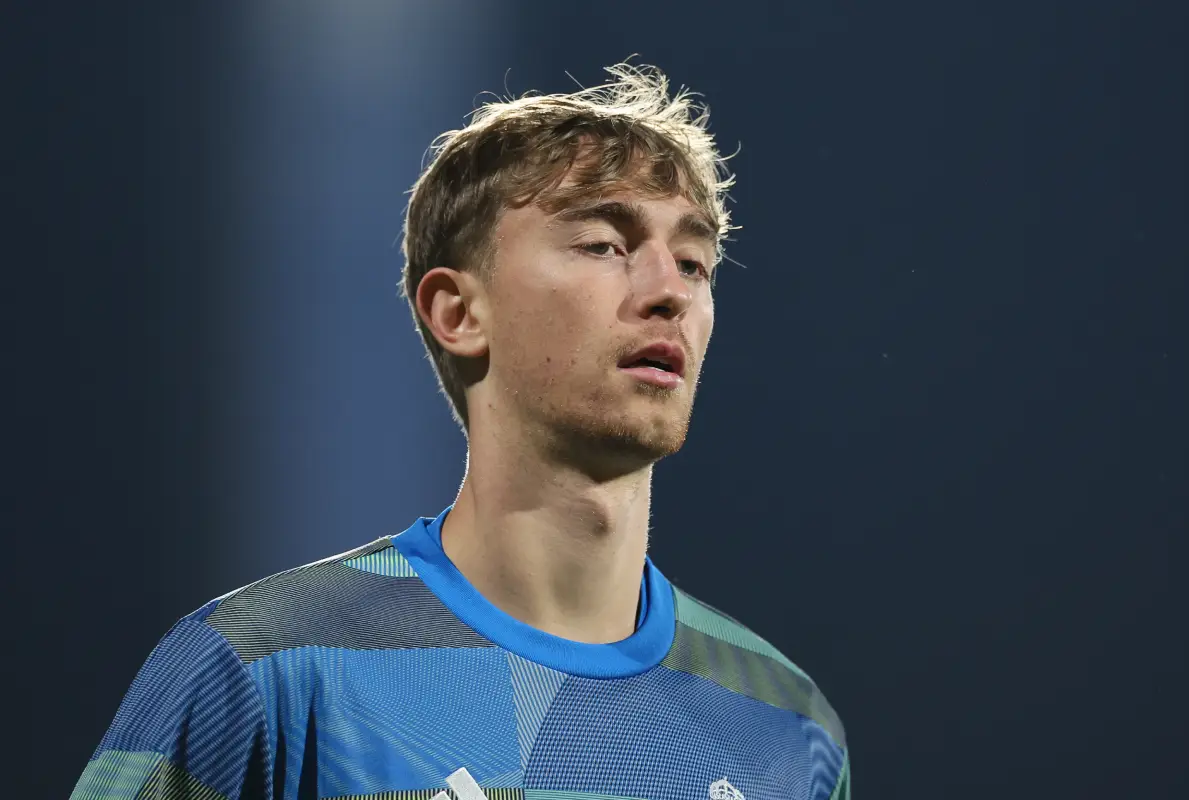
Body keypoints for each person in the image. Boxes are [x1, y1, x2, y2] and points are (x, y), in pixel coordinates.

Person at [72, 63, 849, 800]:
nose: (668, 293)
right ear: (458, 312)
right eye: (605, 245)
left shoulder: (787, 726)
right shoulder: (264, 664)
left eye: (694, 262)